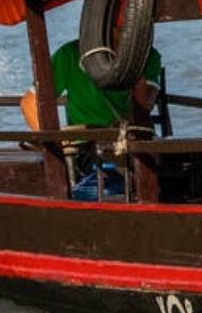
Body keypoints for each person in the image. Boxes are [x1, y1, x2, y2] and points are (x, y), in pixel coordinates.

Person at [20, 38, 163, 200]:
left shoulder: (148, 55)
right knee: (108, 185)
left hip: (132, 141)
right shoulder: (69, 54)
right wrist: (57, 142)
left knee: (169, 172)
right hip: (86, 146)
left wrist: (137, 65)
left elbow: (144, 105)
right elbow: (29, 102)